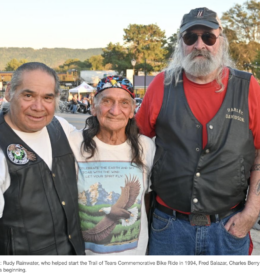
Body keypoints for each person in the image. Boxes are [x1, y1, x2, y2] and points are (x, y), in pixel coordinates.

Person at [136, 7, 260, 255]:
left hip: (228, 226)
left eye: (208, 37)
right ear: (180, 43)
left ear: (220, 41)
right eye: (190, 37)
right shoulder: (162, 84)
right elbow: (135, 143)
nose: (200, 44)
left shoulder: (247, 86)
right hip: (169, 226)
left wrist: (251, 213)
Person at [0, 62, 85, 255]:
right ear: (9, 93)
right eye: (28, 95)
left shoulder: (61, 127)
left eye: (47, 98)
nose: (38, 107)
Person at [68, 76, 155, 255]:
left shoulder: (146, 146)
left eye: (124, 103)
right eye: (107, 101)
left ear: (132, 111)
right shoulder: (74, 142)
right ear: (93, 106)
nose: (115, 111)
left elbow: (146, 199)